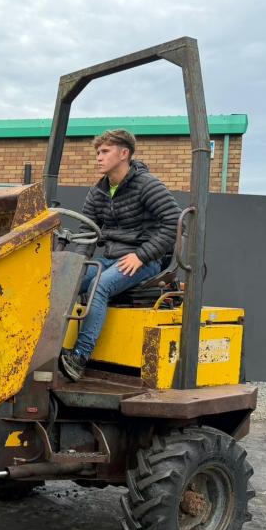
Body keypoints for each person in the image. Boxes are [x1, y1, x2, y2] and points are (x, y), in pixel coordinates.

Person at [60, 129, 180, 381]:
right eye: (97, 153)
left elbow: (174, 223)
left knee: (99, 285)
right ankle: (50, 347)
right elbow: (86, 231)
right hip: (111, 258)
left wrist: (142, 255)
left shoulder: (147, 185)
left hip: (144, 261)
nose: (99, 158)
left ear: (124, 153)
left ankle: (80, 355)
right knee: (68, 279)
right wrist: (76, 264)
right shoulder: (99, 191)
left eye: (105, 152)